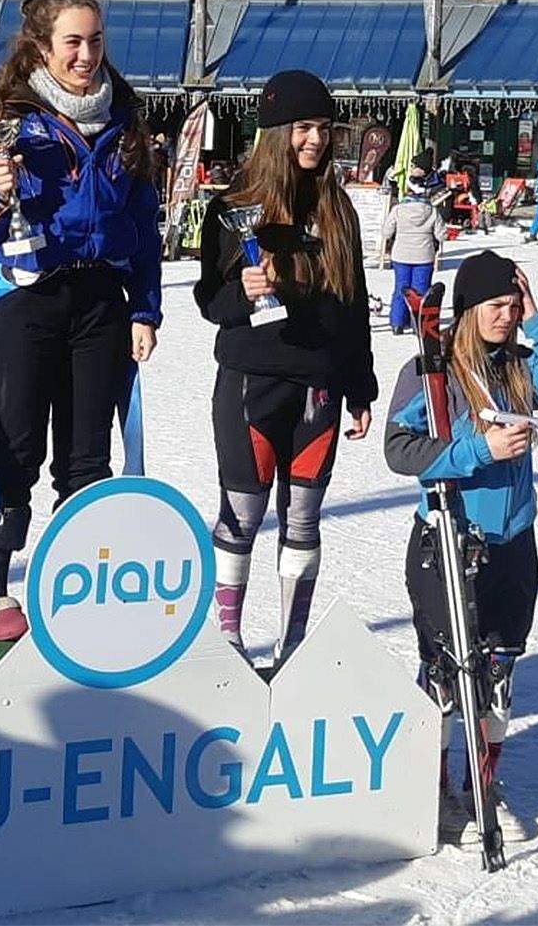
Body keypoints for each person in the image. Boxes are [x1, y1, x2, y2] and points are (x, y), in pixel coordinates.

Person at [0, 0, 163, 641]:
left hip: (100, 300)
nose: (86, 54)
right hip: (25, 297)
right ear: (42, 45)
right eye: (72, 41)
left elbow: (143, 223)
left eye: (95, 39)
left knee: (87, 458)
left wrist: (145, 307)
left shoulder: (124, 113)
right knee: (13, 447)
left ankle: (79, 588)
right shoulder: (11, 114)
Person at [383, 249, 538, 846]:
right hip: (450, 540)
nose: (505, 316)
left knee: (499, 672)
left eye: (512, 304)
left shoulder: (519, 367)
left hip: (513, 542)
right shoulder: (433, 372)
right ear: (468, 308)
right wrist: (480, 450)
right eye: (495, 306)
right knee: (448, 674)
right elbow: (400, 450)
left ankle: (483, 783)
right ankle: (435, 786)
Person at [194, 70, 376, 664]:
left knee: (304, 518)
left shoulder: (337, 208)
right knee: (241, 516)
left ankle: (292, 647)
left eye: (323, 129)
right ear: (276, 133)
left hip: (318, 389)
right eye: (303, 128)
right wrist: (243, 292)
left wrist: (360, 384)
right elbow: (209, 302)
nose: (316, 141)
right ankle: (229, 641)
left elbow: (353, 304)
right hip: (253, 381)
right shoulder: (232, 208)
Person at [383, 182, 444, 335]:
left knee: (401, 288)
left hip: (401, 255)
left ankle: (397, 323)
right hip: (424, 256)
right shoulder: (432, 211)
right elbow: (442, 234)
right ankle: (418, 324)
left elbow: (386, 232)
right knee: (421, 291)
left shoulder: (397, 210)